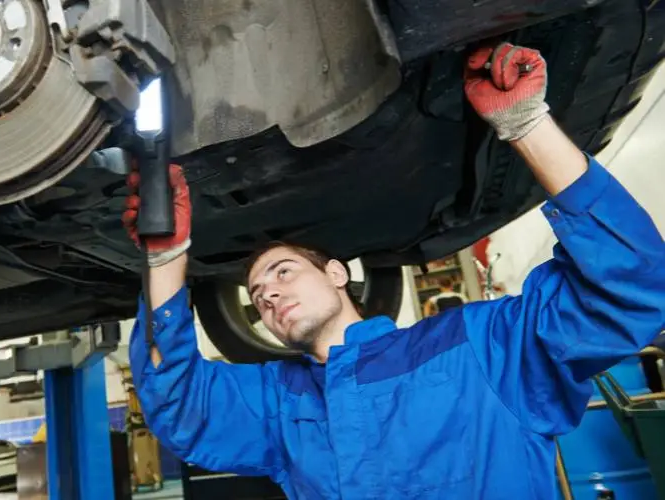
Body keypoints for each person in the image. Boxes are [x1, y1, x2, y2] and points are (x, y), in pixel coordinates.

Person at [121, 42, 665, 499]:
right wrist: (165, 258)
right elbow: (178, 403)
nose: (267, 295)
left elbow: (629, 286)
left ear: (337, 273)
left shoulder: (479, 346)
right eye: (258, 294)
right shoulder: (278, 404)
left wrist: (525, 123)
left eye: (283, 272)